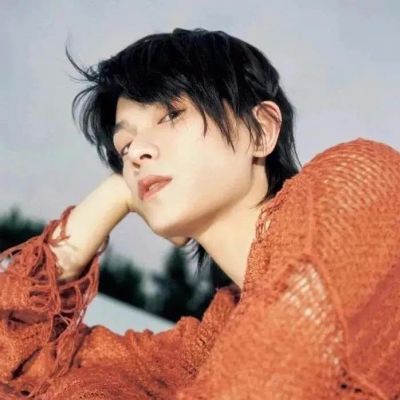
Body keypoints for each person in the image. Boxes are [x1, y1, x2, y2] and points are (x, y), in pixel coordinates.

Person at [0, 27, 399, 399]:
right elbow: (19, 364)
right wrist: (112, 195)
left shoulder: (356, 183)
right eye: (124, 147)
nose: (137, 154)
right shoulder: (208, 344)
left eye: (171, 115)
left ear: (260, 130)